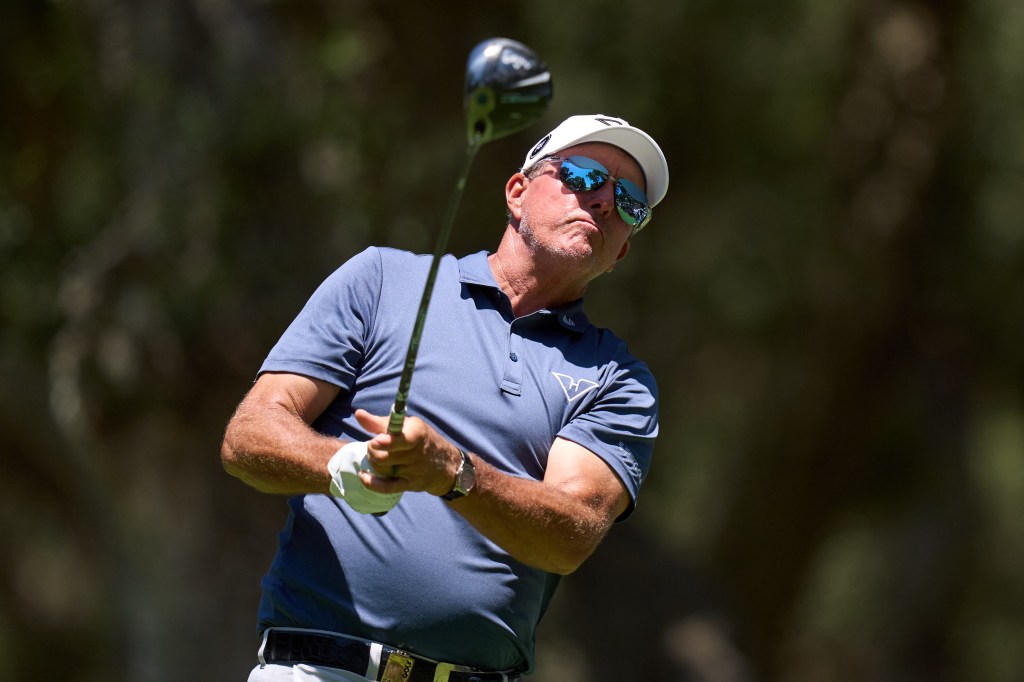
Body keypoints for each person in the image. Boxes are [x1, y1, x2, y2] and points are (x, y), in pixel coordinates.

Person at [221, 113, 669, 682]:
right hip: (316, 669)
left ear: (623, 250)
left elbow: (570, 532)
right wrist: (340, 464)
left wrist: (453, 472)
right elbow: (250, 433)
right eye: (583, 176)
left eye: (630, 202)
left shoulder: (619, 379)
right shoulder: (382, 280)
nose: (604, 201)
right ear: (517, 192)